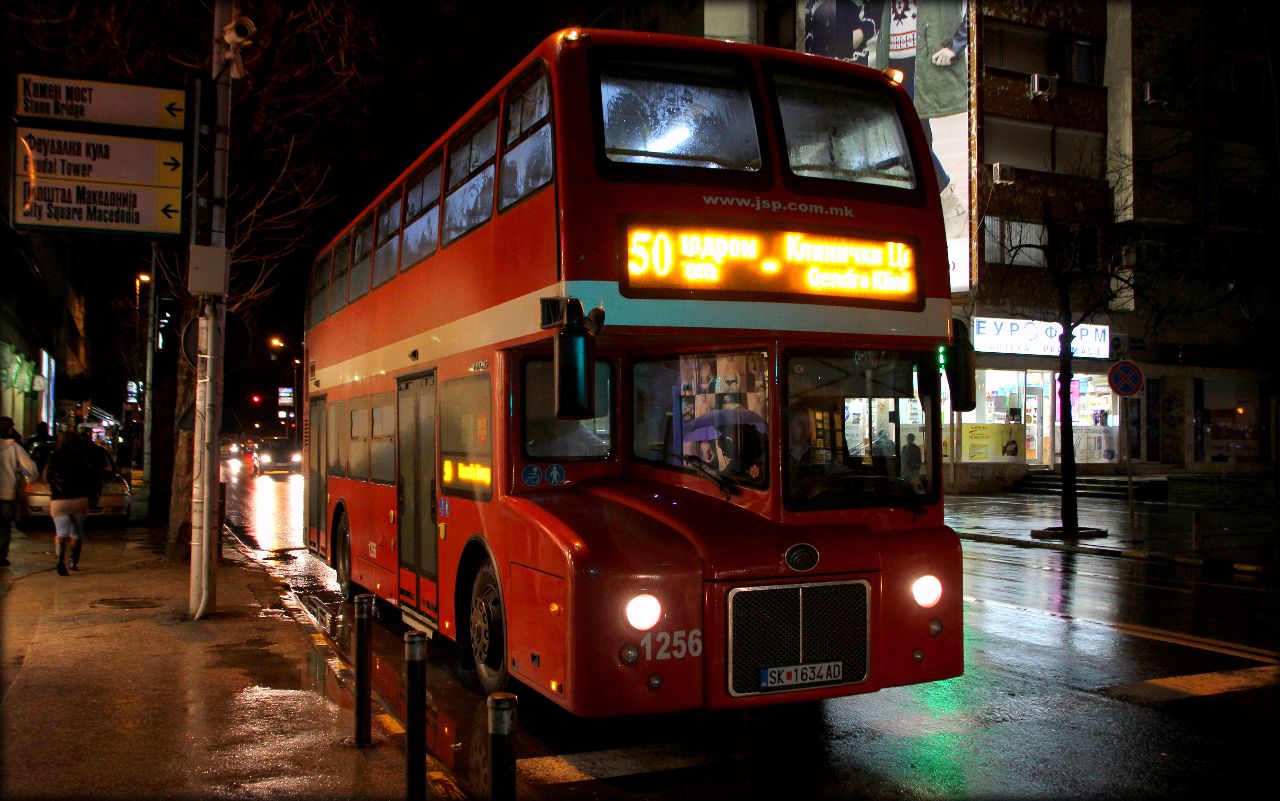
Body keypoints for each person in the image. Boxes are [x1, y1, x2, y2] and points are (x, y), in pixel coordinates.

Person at [44, 430, 101, 576]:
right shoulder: (83, 458)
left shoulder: (54, 457)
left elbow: (46, 477)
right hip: (79, 499)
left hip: (59, 500)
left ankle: (59, 561)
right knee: (76, 532)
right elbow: (93, 478)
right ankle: (73, 563)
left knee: (61, 532)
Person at [0, 417, 39, 568]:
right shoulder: (14, 448)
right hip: (6, 493)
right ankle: (1, 556)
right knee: (4, 526)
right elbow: (30, 469)